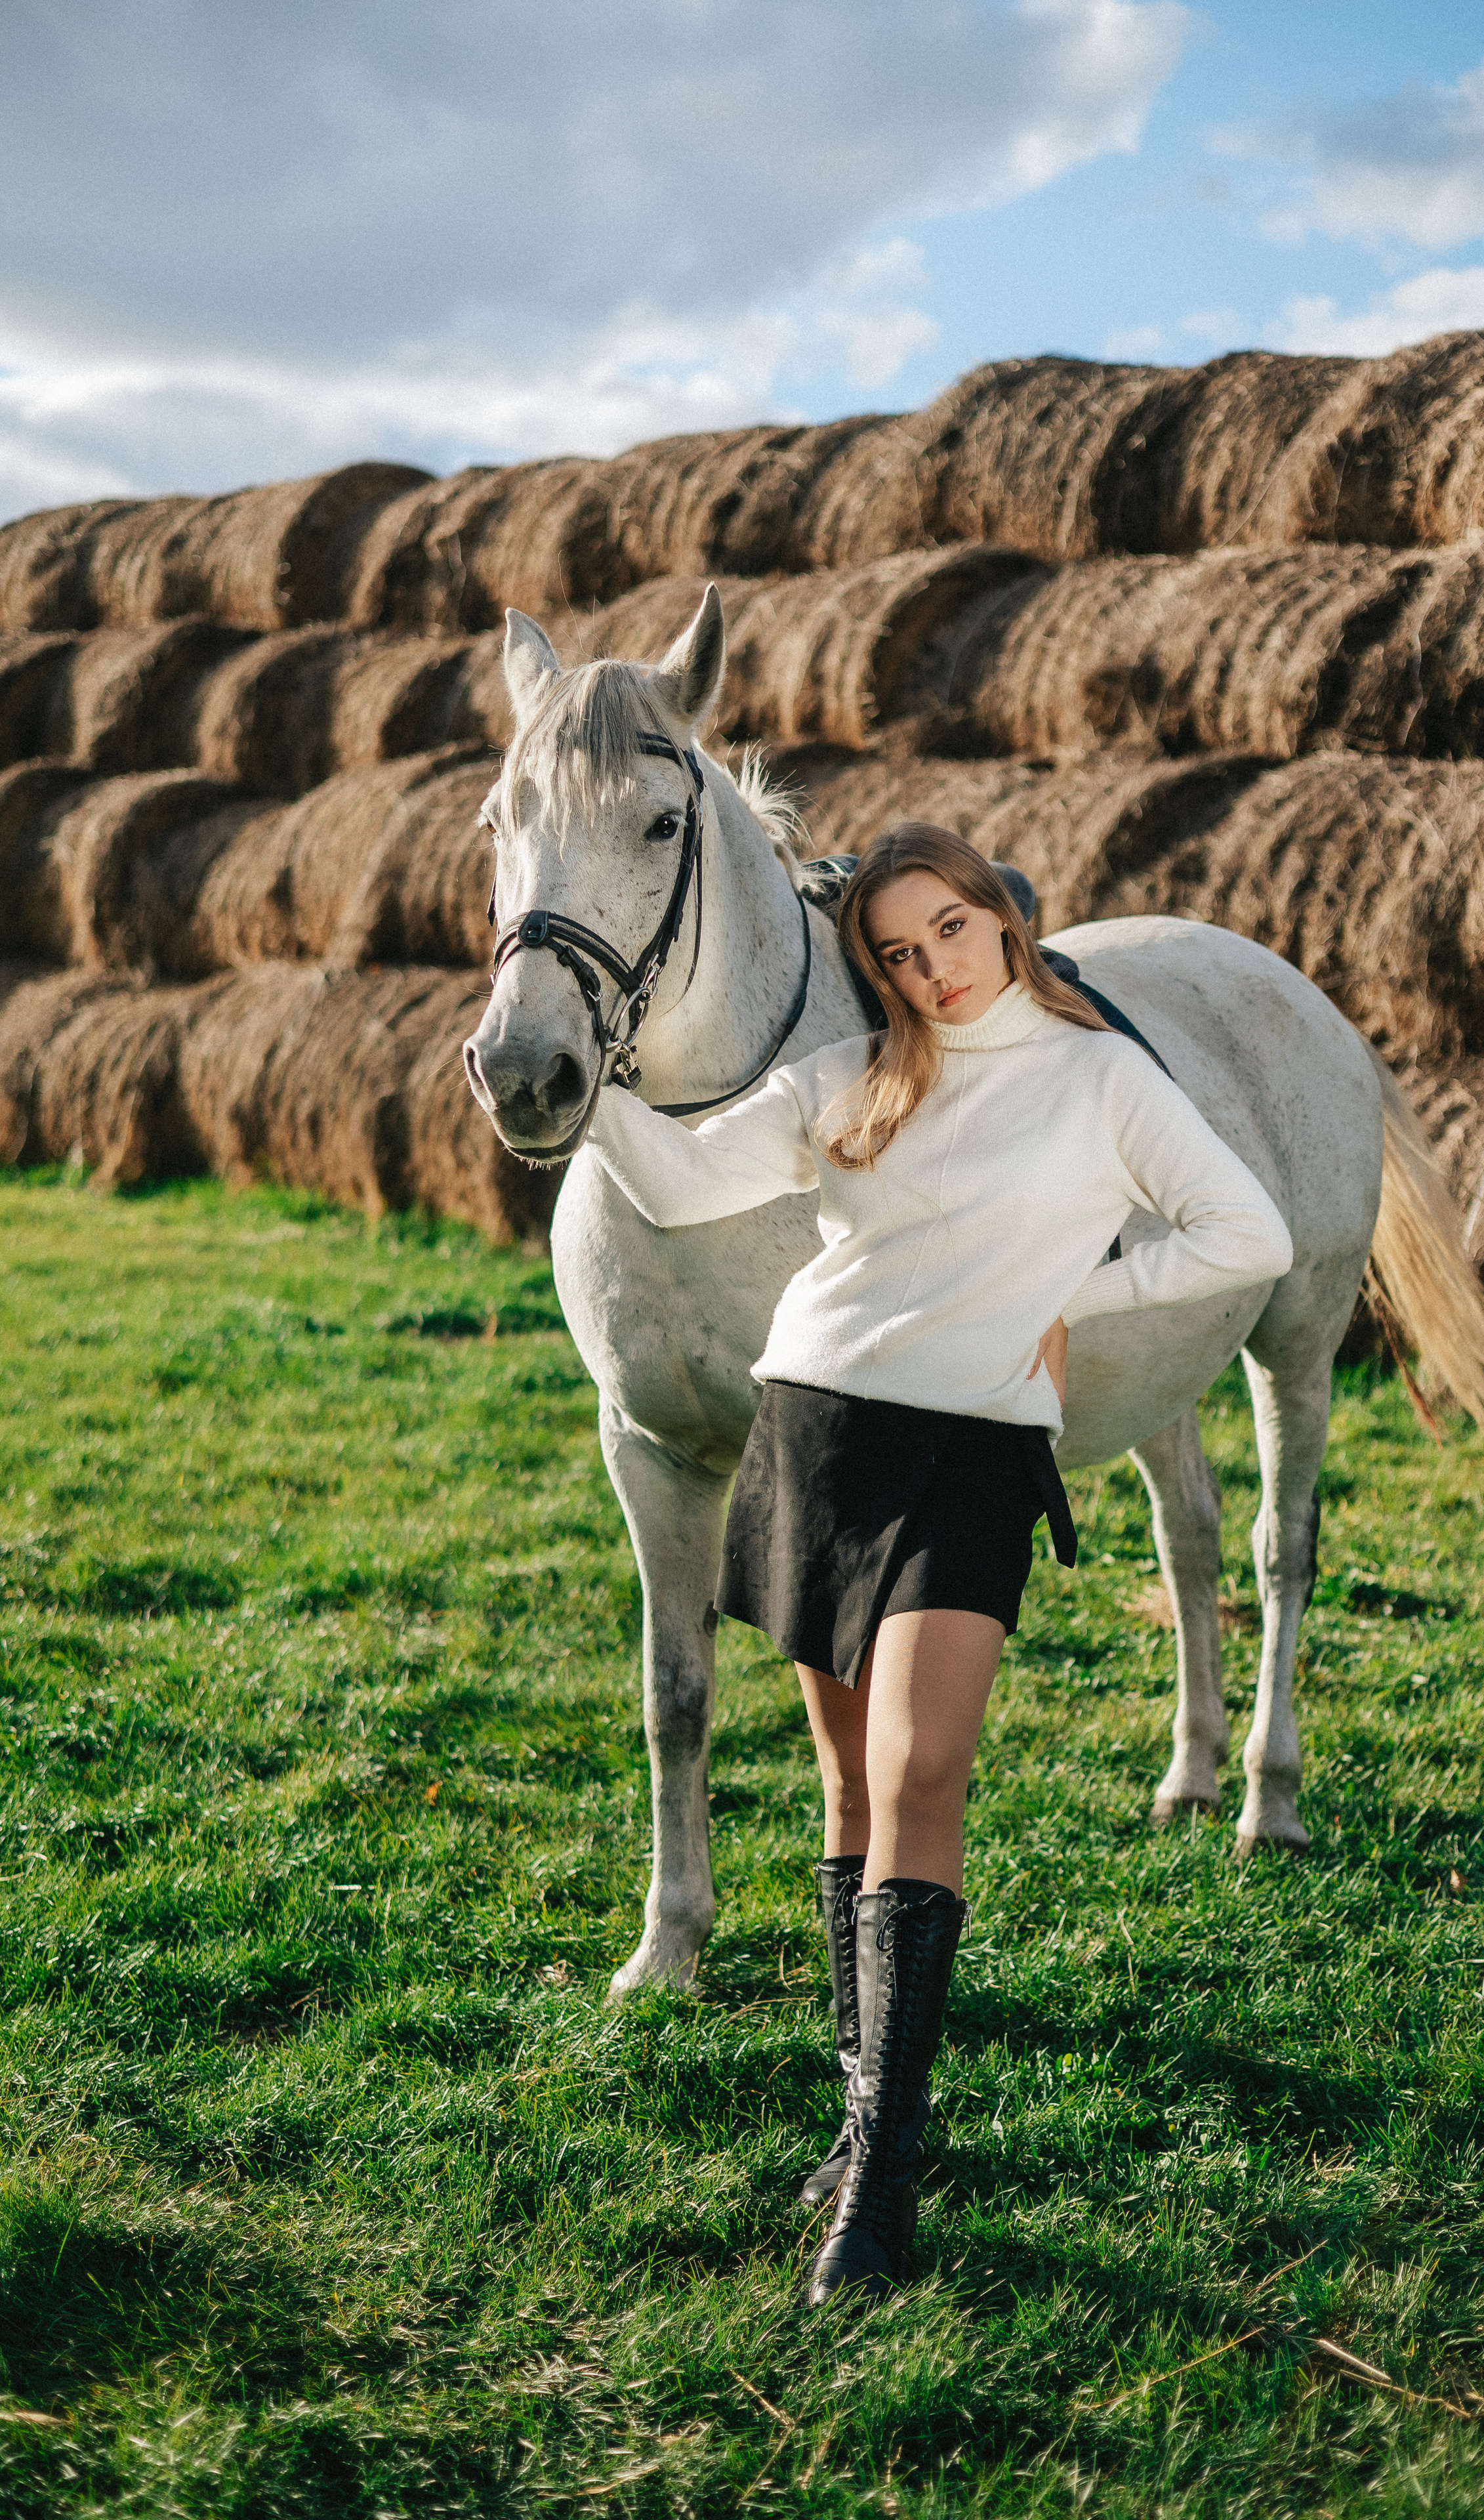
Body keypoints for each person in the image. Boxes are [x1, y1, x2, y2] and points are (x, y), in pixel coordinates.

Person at [585, 822, 1293, 2307]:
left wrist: (1092, 1293)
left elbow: (1246, 1230)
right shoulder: (853, 1078)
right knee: (846, 1791)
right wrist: (573, 1072)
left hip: (971, 1459)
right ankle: (855, 2130)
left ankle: (885, 2175)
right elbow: (678, 1184)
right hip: (814, 1434)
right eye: (897, 956)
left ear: (1001, 918)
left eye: (949, 933)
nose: (931, 971)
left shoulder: (1103, 1079)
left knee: (920, 1778)